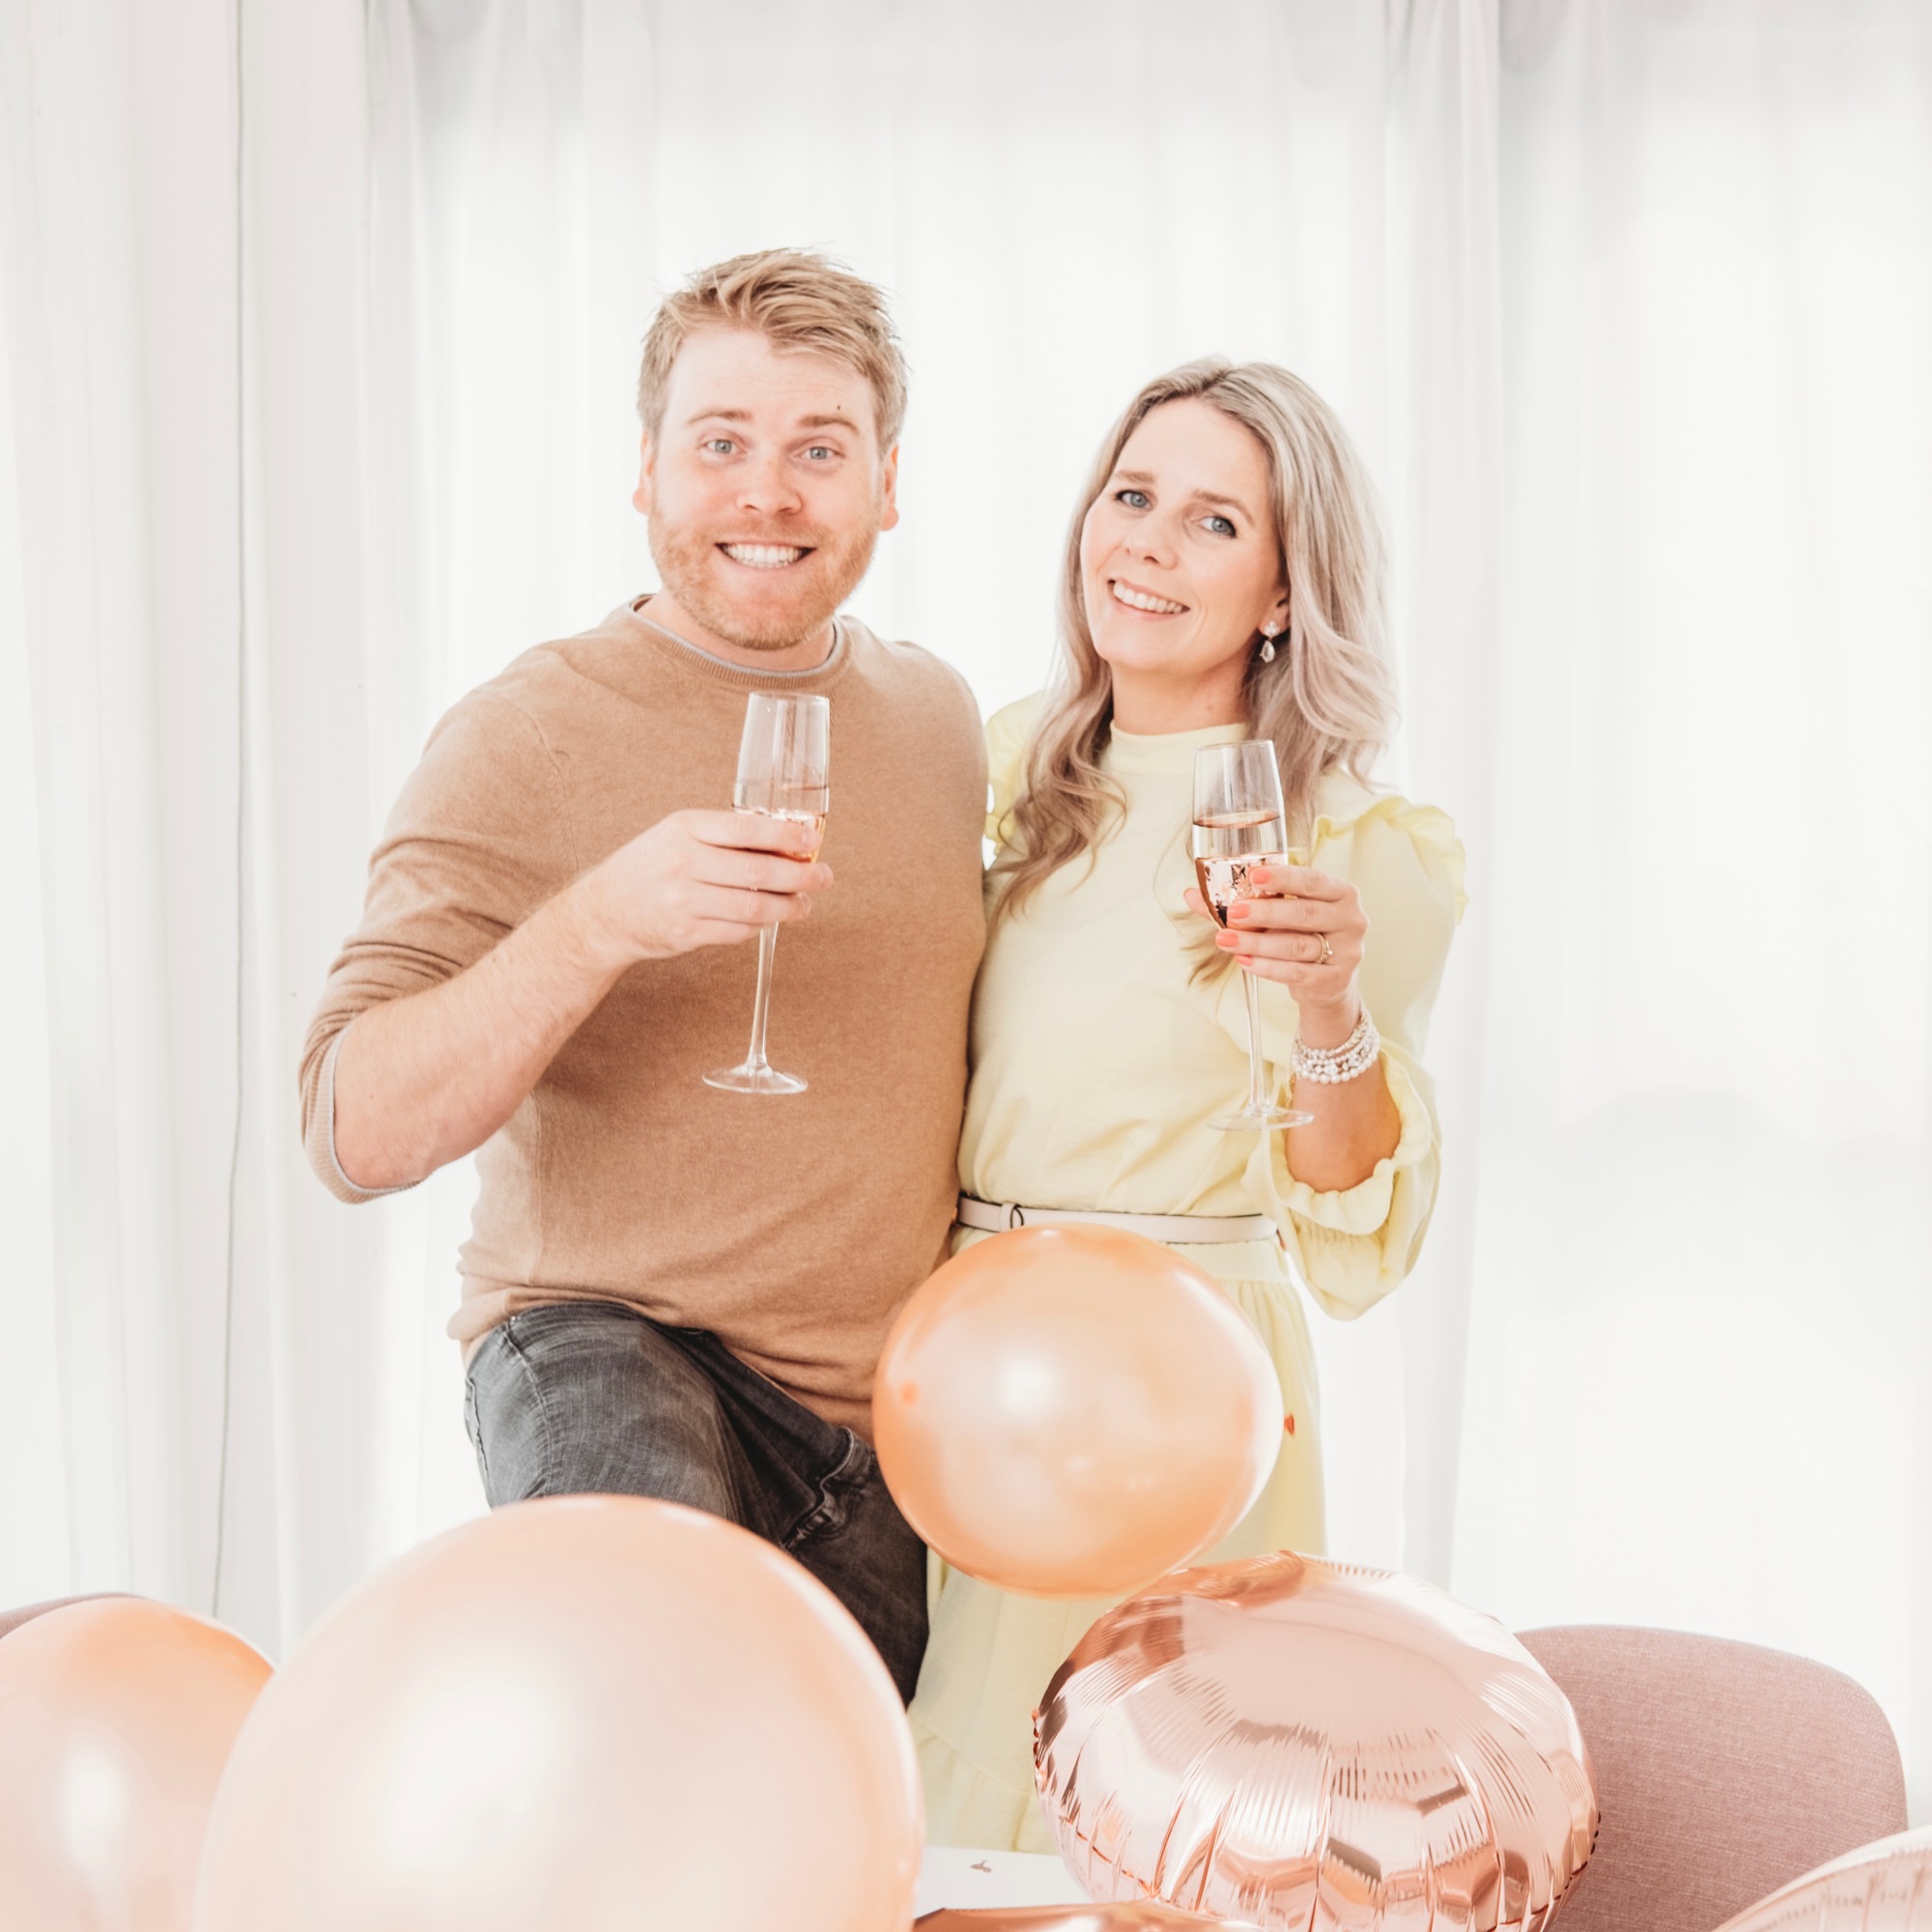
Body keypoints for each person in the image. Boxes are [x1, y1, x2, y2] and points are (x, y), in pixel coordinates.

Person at [298, 249, 987, 1700]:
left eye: (819, 450)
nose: (766, 493)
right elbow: (352, 1133)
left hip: (884, 1434)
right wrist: (595, 921)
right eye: (720, 445)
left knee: (841, 1851)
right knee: (641, 1680)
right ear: (647, 473)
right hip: (610, 1345)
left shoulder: (938, 724)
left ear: (888, 483)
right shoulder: (524, 730)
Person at [907, 357, 1466, 1844]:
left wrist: (1330, 1011)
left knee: (1143, 1817)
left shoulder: (1358, 841)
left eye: (1216, 523)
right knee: (952, 1813)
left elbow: (1350, 1219)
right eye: (1133, 494)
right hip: (969, 1361)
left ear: (1287, 595)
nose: (1147, 542)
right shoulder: (1010, 766)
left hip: (1180, 1382)